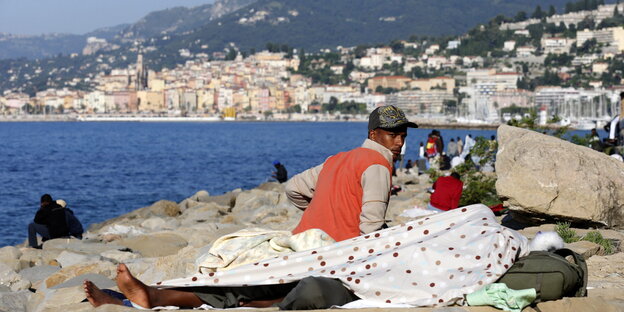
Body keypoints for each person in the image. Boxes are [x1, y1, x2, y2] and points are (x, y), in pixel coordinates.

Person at [285, 105, 418, 242]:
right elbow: (371, 228)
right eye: (393, 135)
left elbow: (292, 188)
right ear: (373, 135)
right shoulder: (377, 164)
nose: (400, 142)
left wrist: (320, 213)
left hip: (303, 241)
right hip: (338, 249)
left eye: (403, 136)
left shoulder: (336, 159)